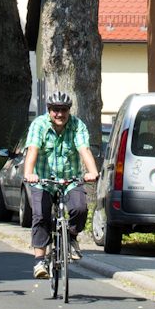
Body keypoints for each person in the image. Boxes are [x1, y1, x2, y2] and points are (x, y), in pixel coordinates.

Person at [21, 91, 100, 279]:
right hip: (43, 180)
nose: (59, 114)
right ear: (49, 110)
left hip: (69, 179)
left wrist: (93, 172)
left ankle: (71, 236)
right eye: (55, 110)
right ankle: (39, 262)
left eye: (63, 110)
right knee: (40, 216)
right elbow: (33, 149)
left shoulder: (77, 126)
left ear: (69, 111)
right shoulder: (39, 125)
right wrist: (29, 173)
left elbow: (84, 150)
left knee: (80, 208)